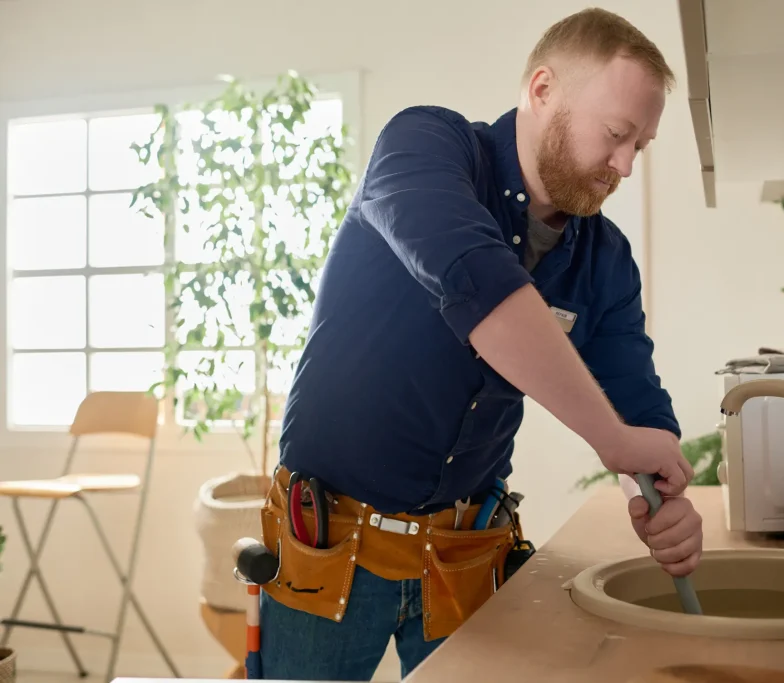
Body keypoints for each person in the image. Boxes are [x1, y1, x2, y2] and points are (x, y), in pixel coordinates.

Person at [258, 8, 703, 681]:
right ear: (543, 89)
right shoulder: (424, 146)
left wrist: (661, 490)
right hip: (327, 541)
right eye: (616, 135)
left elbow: (634, 399)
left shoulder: (605, 257)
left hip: (466, 552)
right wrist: (614, 442)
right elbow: (478, 283)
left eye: (639, 145)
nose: (624, 166)